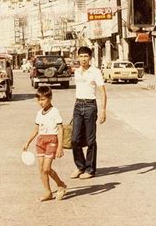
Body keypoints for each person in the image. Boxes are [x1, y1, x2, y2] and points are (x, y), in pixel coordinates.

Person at [23, 86, 67, 202]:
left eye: (43, 99)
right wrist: (28, 141)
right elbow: (36, 129)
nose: (40, 102)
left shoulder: (55, 111)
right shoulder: (39, 113)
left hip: (52, 141)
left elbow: (60, 129)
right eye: (39, 100)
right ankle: (48, 192)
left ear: (50, 98)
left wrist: (60, 147)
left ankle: (60, 184)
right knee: (41, 169)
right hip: (41, 141)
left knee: (47, 168)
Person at [70, 46, 107, 180]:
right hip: (78, 105)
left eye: (86, 56)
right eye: (81, 56)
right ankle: (80, 166)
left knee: (91, 140)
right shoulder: (77, 72)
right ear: (78, 57)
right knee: (74, 139)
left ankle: (90, 169)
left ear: (90, 58)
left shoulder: (95, 72)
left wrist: (103, 110)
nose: (83, 59)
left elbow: (102, 91)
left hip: (91, 106)